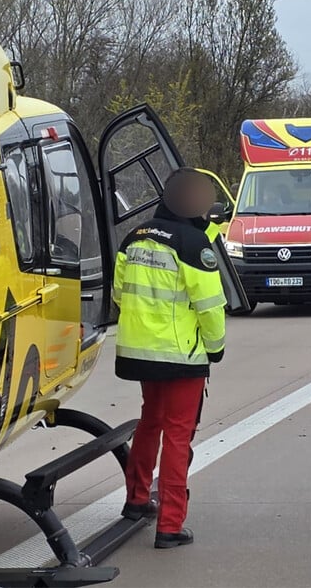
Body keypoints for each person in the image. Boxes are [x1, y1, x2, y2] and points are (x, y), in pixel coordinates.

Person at [113, 168, 227, 549]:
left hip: (139, 351)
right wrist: (215, 347)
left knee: (150, 424)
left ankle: (137, 500)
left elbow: (119, 294)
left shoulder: (134, 238)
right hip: (181, 356)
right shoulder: (194, 244)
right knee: (178, 435)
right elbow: (210, 307)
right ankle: (171, 525)